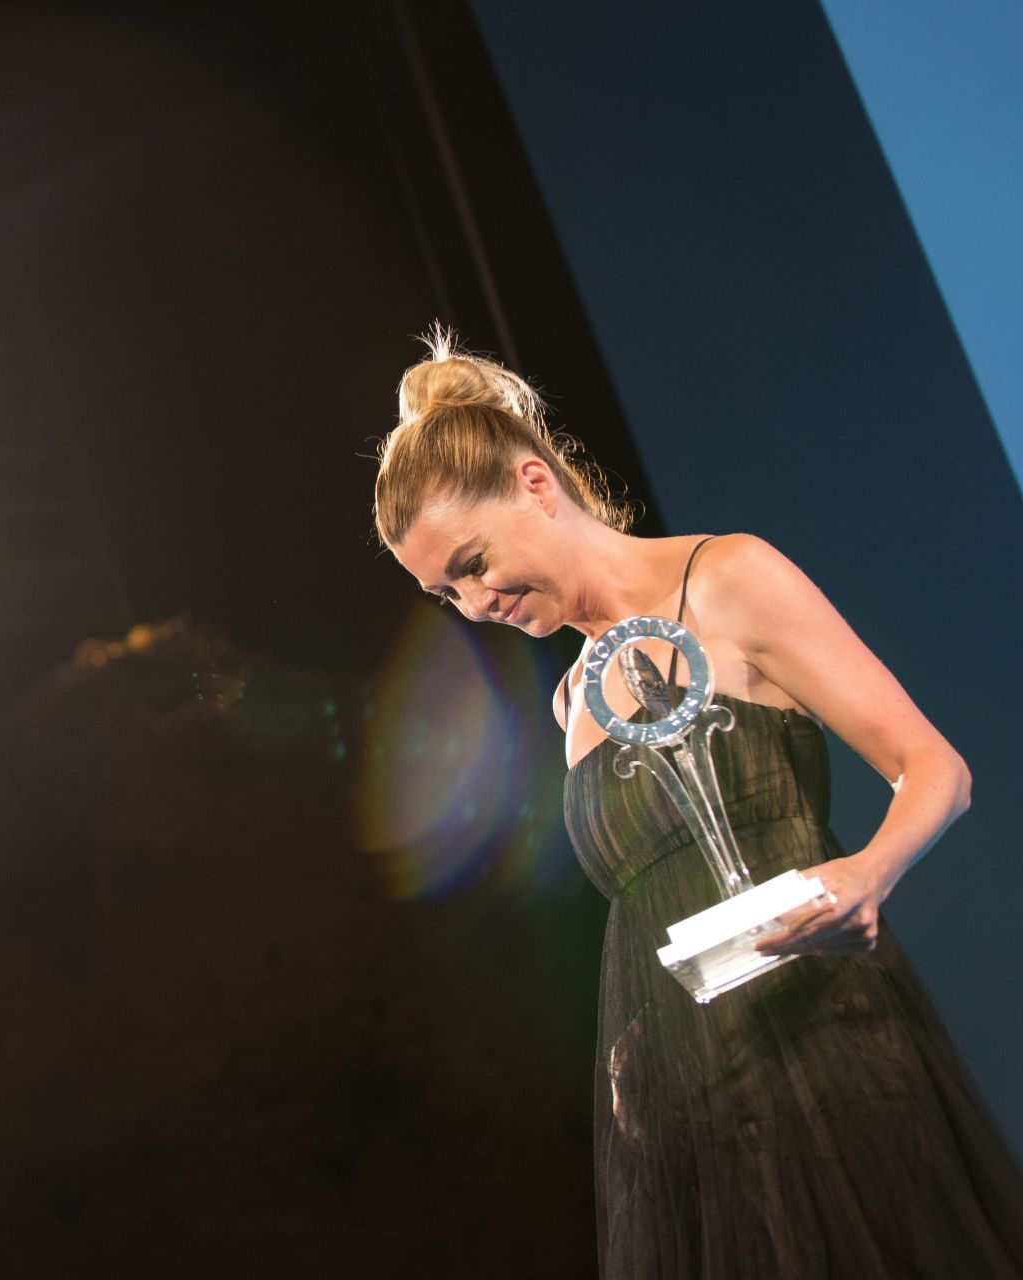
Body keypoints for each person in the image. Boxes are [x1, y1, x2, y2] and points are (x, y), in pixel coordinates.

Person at [372, 329, 1023, 1277]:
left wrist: (864, 875)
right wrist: (640, 1041)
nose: (473, 604)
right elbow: (659, 908)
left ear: (534, 484)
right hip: (696, 1114)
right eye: (444, 592)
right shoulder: (570, 705)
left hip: (831, 1055)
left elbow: (936, 768)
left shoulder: (727, 578)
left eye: (471, 563)